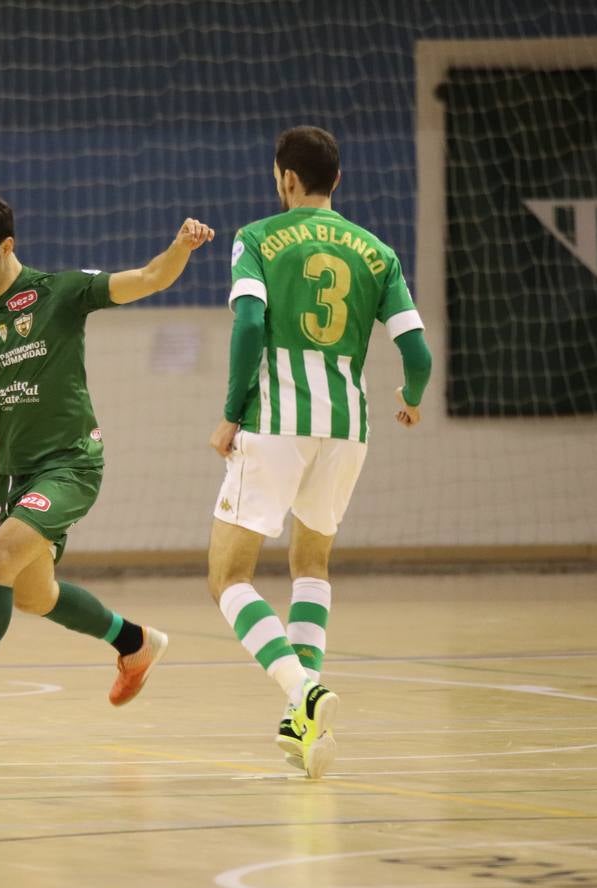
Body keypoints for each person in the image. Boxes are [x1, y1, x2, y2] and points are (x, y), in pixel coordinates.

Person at [0, 192, 213, 736]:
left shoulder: (61, 292)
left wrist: (180, 247)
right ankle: (134, 642)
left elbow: (149, 278)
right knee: (35, 595)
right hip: (14, 474)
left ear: (7, 246)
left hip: (71, 464)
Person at [206, 126, 432, 778]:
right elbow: (416, 352)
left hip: (276, 424)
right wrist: (411, 396)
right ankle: (302, 722)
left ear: (286, 179)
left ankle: (303, 691)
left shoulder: (256, 238)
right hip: (349, 428)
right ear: (339, 180)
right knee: (311, 566)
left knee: (227, 578)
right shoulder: (378, 252)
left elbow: (249, 325)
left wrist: (229, 414)